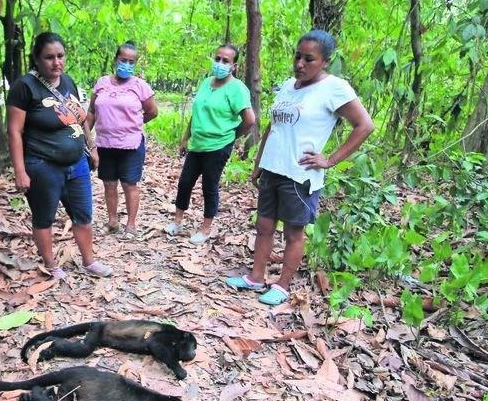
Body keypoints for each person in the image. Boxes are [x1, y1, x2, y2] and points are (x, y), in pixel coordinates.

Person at [226, 29, 374, 305]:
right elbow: (273, 127)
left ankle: (282, 286)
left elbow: (364, 126)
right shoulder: (287, 86)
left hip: (299, 174)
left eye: (309, 59)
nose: (300, 64)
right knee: (264, 225)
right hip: (273, 168)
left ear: (326, 61)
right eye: (297, 56)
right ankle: (256, 277)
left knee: (293, 232)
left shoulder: (335, 88)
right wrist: (259, 163)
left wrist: (329, 160)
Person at [7, 32, 113, 279]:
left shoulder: (67, 81)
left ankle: (89, 261)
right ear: (36, 58)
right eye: (49, 57)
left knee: (83, 215)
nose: (56, 63)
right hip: (43, 164)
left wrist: (92, 147)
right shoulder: (24, 87)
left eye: (60, 56)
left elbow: (80, 117)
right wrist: (20, 171)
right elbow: (14, 131)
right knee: (44, 218)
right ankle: (52, 265)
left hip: (76, 164)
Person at [165, 44, 256, 243]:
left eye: (226, 61)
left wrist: (231, 136)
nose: (220, 64)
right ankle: (177, 221)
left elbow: (250, 120)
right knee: (185, 182)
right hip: (197, 144)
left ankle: (205, 229)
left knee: (209, 186)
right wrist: (185, 138)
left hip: (218, 146)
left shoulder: (237, 89)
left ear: (234, 66)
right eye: (218, 59)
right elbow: (196, 112)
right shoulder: (206, 82)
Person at [85, 41, 158, 236]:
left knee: (129, 183)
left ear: (135, 64)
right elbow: (92, 111)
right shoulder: (101, 83)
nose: (126, 64)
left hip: (131, 144)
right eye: (123, 60)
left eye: (131, 61)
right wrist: (86, 138)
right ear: (116, 60)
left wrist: (132, 123)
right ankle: (112, 222)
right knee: (109, 183)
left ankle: (131, 225)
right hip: (105, 143)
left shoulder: (140, 86)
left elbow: (152, 111)